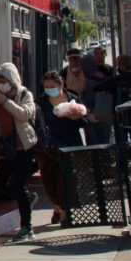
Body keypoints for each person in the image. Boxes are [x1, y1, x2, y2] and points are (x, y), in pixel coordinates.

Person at [0, 62, 39, 242]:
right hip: (8, 148)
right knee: (2, 184)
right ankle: (27, 197)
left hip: (24, 147)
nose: (2, 84)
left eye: (4, 80)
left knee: (18, 184)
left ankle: (27, 227)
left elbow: (25, 115)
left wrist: (6, 102)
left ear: (12, 80)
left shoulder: (25, 94)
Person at [36, 71, 87, 225]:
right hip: (49, 148)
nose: (49, 89)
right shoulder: (41, 102)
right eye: (46, 86)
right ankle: (58, 206)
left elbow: (84, 121)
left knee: (68, 179)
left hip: (70, 144)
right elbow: (36, 124)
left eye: (52, 86)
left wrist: (76, 117)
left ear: (61, 85)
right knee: (50, 181)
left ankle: (65, 213)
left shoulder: (72, 99)